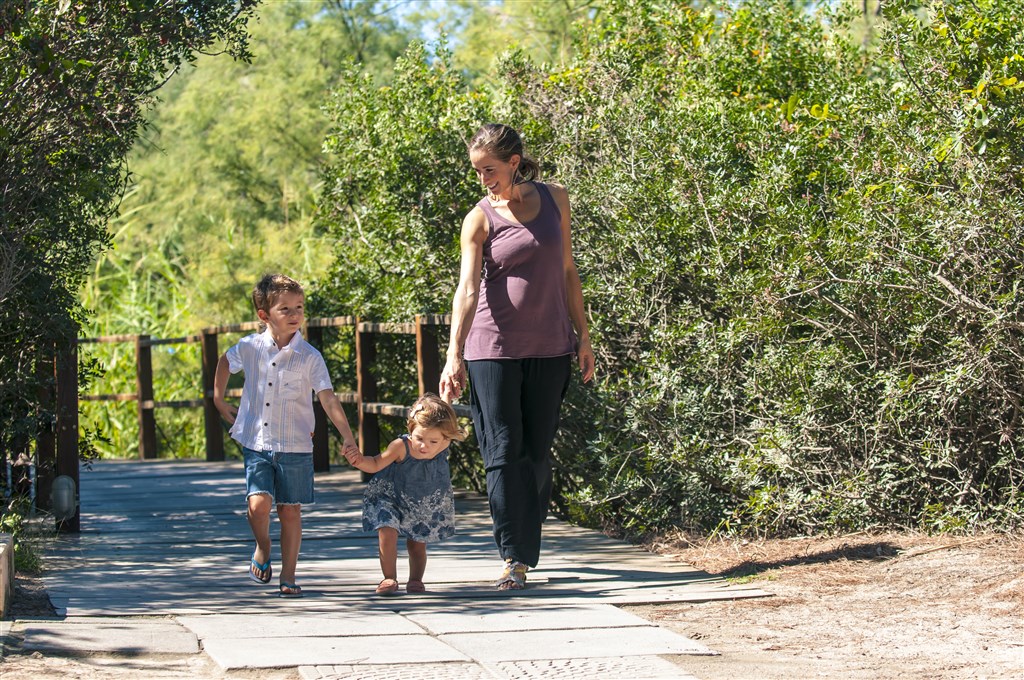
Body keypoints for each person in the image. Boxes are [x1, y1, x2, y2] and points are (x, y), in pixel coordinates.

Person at [439, 123, 595, 590]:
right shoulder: (480, 218)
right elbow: (467, 289)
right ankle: (515, 555)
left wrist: (583, 334)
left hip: (551, 345)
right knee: (503, 452)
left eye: (489, 169)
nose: (483, 178)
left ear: (514, 161)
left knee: (536, 453)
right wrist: (454, 355)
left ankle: (524, 545)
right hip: (492, 349)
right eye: (476, 171)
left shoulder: (556, 199)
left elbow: (567, 269)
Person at [213, 273, 359, 598]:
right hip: (256, 441)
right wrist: (218, 398)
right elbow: (225, 361)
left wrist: (347, 437)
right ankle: (262, 546)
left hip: (295, 445)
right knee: (258, 505)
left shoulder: (310, 357)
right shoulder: (250, 347)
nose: (295, 315)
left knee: (290, 510)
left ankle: (288, 574)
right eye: (285, 309)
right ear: (264, 315)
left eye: (299, 307)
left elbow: (328, 398)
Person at [343, 393, 467, 595]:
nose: (424, 446)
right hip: (390, 495)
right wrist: (359, 461)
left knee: (417, 544)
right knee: (387, 530)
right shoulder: (401, 447)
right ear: (411, 430)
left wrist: (449, 389)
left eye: (432, 441)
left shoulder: (444, 442)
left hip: (422, 501)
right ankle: (389, 578)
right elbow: (375, 463)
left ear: (445, 437)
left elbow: (446, 411)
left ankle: (415, 579)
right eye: (419, 438)